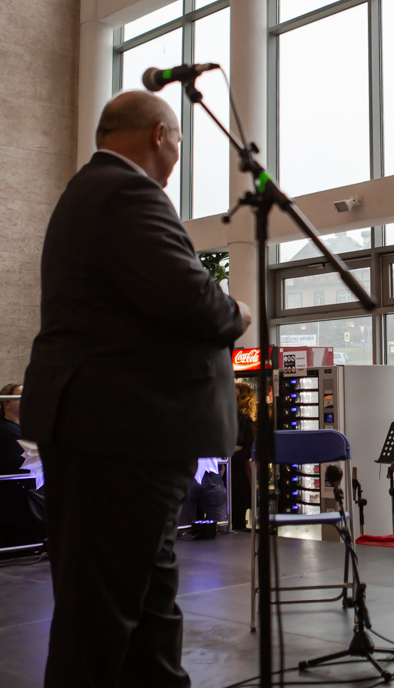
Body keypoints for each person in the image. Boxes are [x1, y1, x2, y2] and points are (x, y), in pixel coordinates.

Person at [22, 90, 249, 688]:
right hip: (121, 433)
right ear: (159, 135)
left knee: (148, 605)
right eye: (179, 138)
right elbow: (197, 303)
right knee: (99, 618)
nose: (178, 150)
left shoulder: (91, 192)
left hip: (117, 430)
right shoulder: (126, 193)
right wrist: (240, 312)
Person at [0, 384, 46, 553]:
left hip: (19, 506)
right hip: (12, 508)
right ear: (7, 403)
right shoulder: (6, 431)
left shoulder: (18, 429)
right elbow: (19, 466)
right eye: (20, 396)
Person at [230, 381, 256, 531]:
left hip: (238, 474)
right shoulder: (242, 419)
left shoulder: (245, 421)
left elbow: (249, 449)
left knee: (237, 514)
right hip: (237, 472)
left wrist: (229, 454)